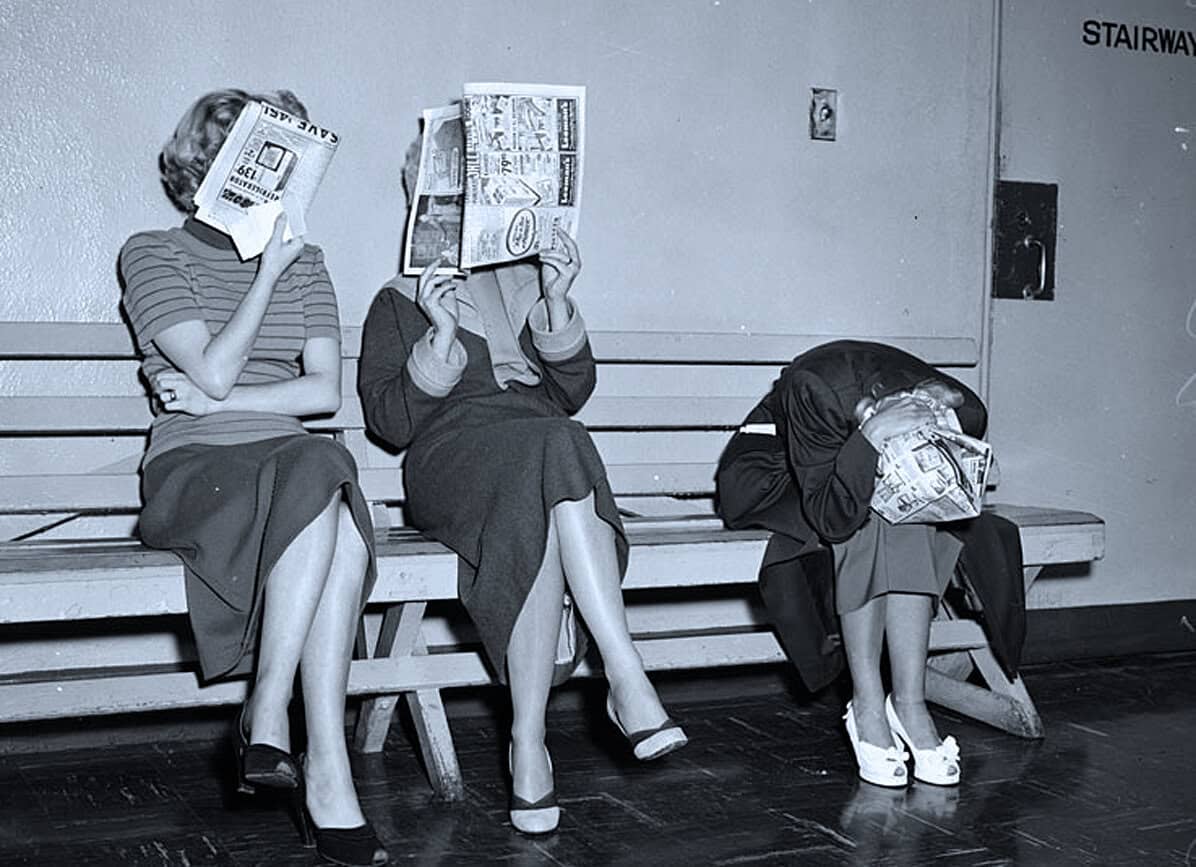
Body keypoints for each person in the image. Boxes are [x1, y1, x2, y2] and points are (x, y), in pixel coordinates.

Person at [357, 139, 687, 836]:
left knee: (549, 466)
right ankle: (625, 673)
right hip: (453, 457)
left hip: (538, 454)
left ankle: (528, 743)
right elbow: (389, 423)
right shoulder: (398, 298)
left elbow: (573, 391)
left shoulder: (531, 281)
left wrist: (558, 297)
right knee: (556, 447)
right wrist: (440, 332)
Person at [118, 88, 387, 866]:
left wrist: (214, 397)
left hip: (295, 465)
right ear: (205, 166)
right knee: (328, 490)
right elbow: (212, 361)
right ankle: (297, 741)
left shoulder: (313, 263)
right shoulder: (152, 252)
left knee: (323, 469)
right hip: (195, 470)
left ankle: (292, 736)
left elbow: (324, 393)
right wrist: (265, 276)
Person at [716, 340, 1025, 788]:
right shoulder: (816, 388)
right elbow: (833, 518)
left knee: (907, 515)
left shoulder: (962, 405)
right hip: (772, 476)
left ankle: (909, 701)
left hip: (849, 467)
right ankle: (866, 703)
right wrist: (873, 436)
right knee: (867, 517)